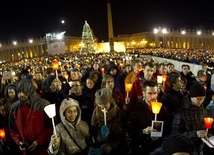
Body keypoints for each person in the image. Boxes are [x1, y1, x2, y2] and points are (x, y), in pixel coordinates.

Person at [9, 79, 53, 155]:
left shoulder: (44, 104)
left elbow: (50, 127)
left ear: (30, 91)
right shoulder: (14, 107)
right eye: (19, 92)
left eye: (24, 92)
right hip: (25, 151)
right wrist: (19, 142)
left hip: (42, 150)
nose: (21, 95)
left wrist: (38, 141)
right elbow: (12, 129)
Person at [126, 80, 169, 155]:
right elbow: (131, 132)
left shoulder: (162, 109)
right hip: (141, 147)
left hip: (158, 147)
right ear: (143, 93)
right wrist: (144, 131)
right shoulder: (136, 109)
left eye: (155, 93)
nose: (153, 96)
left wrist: (159, 136)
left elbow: (167, 128)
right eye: (149, 93)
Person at [171, 83, 211, 155]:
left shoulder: (204, 111)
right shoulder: (181, 113)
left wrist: (208, 135)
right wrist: (195, 134)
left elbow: (209, 129)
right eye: (198, 99)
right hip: (186, 150)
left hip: (201, 149)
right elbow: (176, 136)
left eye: (203, 98)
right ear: (191, 97)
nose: (201, 101)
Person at [90, 88, 126, 155]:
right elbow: (93, 131)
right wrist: (100, 136)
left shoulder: (118, 114)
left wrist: (110, 146)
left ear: (110, 101)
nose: (102, 107)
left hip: (115, 149)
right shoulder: (95, 113)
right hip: (100, 147)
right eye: (100, 104)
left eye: (105, 104)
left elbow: (121, 135)